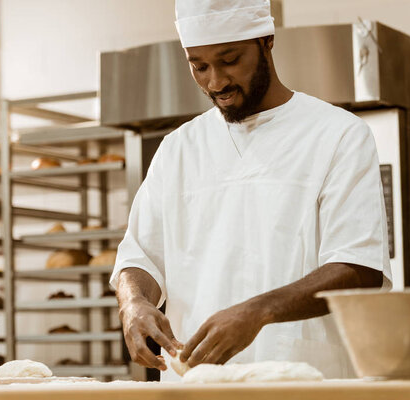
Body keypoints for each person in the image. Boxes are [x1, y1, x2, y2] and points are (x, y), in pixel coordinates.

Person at [110, 0, 392, 381]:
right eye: (199, 66)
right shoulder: (178, 148)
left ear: (266, 41)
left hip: (302, 379)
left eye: (230, 60)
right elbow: (140, 256)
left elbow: (358, 267)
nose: (215, 82)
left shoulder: (337, 134)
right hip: (194, 381)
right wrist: (134, 302)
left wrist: (259, 311)